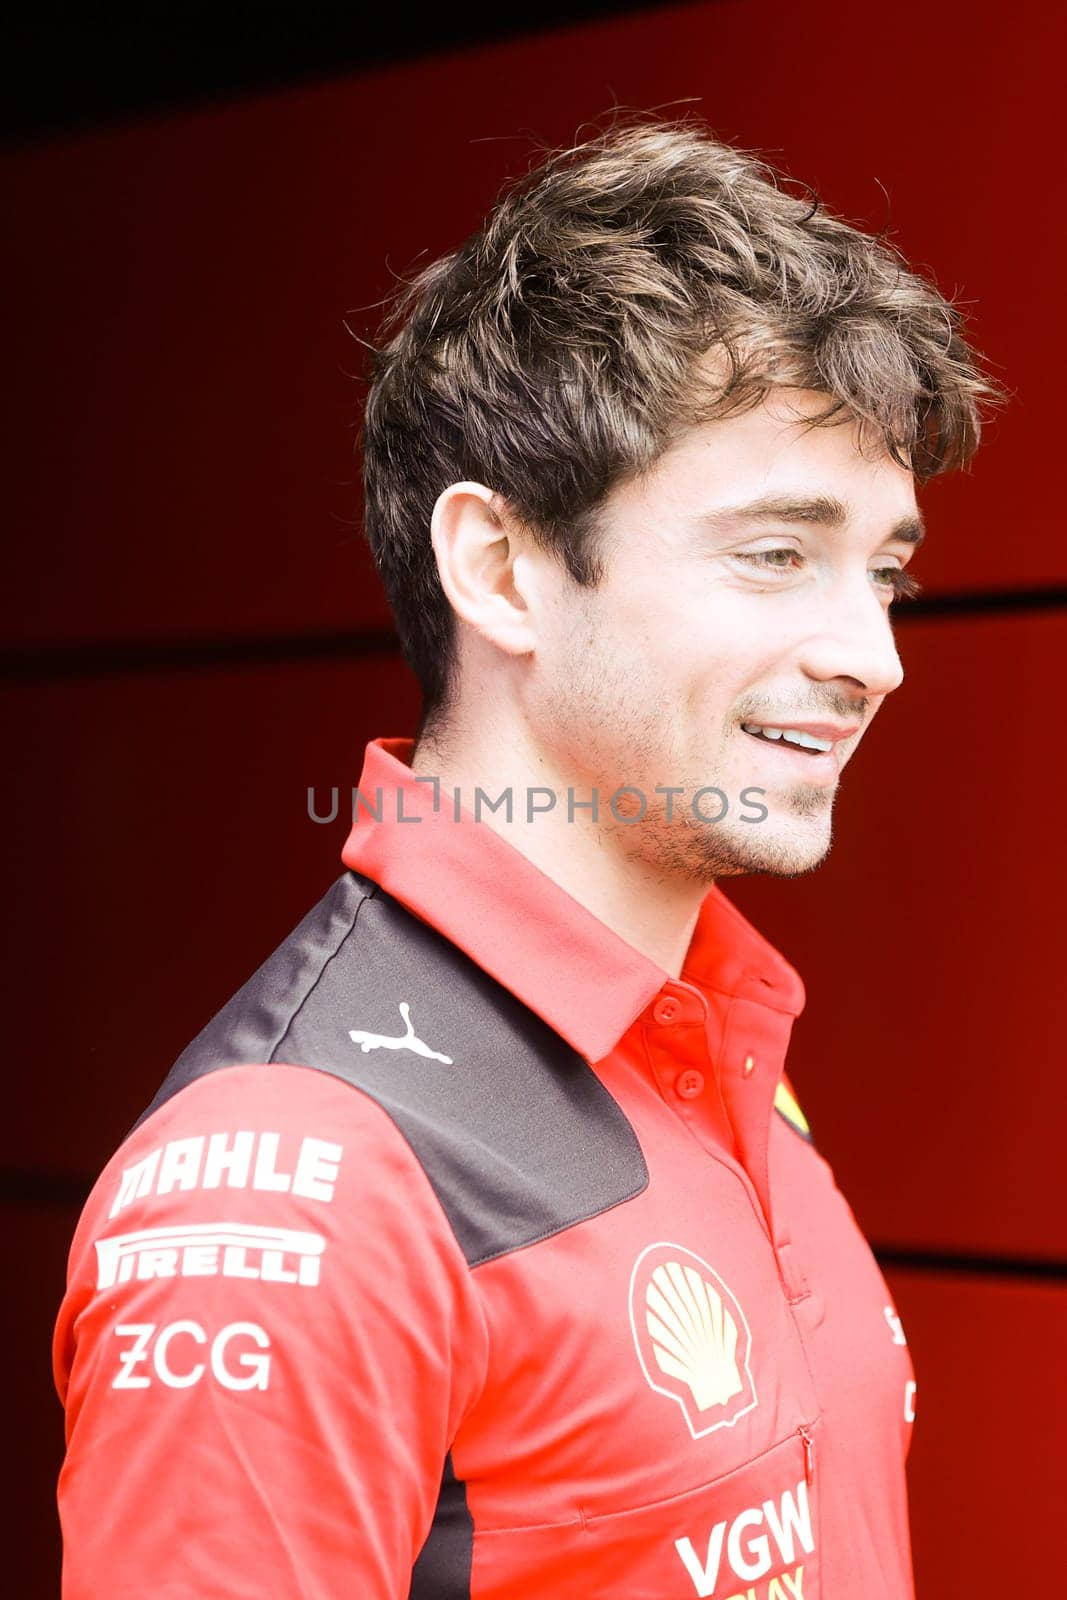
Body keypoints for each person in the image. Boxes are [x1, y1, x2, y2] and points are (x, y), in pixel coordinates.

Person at [53, 113, 1001, 1598]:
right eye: (776, 554)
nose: (872, 656)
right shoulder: (310, 1184)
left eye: (885, 571)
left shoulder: (721, 1033)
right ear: (499, 568)